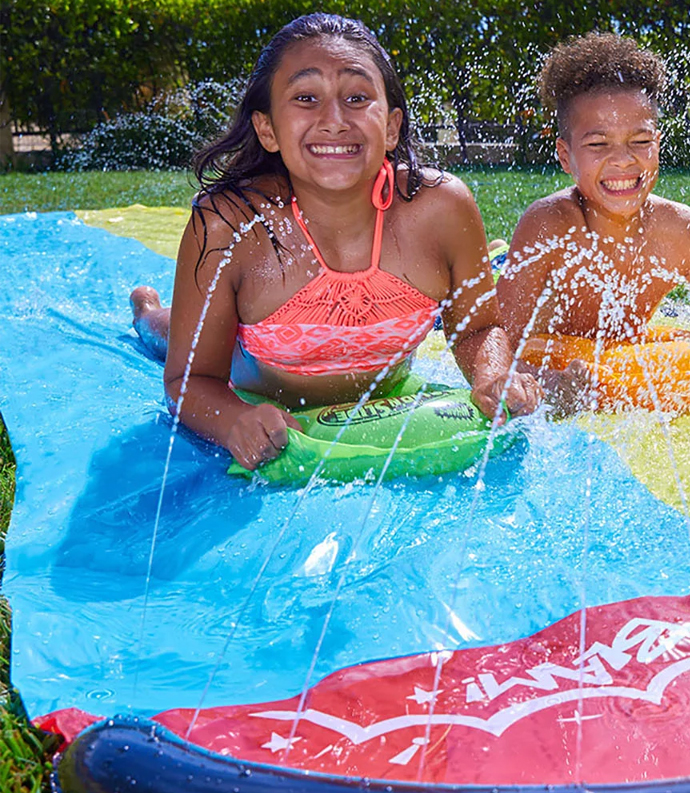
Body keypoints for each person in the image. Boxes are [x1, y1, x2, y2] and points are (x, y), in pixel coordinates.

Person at [131, 13, 541, 472]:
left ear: (390, 125)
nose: (334, 120)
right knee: (172, 333)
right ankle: (147, 310)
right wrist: (234, 421)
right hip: (249, 375)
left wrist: (492, 374)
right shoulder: (232, 226)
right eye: (306, 98)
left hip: (382, 395)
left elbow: (477, 329)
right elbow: (191, 379)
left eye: (357, 98)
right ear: (267, 129)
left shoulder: (442, 208)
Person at [496, 32, 690, 414]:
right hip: (551, 351)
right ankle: (496, 259)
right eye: (598, 144)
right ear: (566, 157)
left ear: (658, 144)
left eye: (640, 141)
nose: (623, 160)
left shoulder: (681, 229)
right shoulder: (548, 225)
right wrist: (543, 384)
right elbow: (502, 344)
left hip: (625, 354)